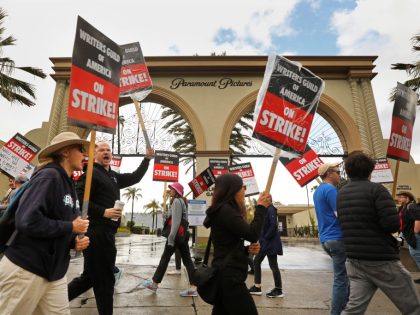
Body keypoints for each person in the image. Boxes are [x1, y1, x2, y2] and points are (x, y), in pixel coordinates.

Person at [0, 131, 90, 314]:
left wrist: (74, 241)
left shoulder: (69, 183)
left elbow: (56, 223)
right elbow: (27, 220)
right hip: (26, 269)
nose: (85, 154)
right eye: (81, 149)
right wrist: (71, 227)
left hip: (54, 274)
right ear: (65, 152)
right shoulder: (49, 177)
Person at [68, 142, 154, 315]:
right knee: (105, 280)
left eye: (108, 150)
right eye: (101, 150)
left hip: (107, 233)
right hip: (96, 232)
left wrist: (146, 159)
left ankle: (52, 301)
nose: (106, 152)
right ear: (94, 155)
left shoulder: (113, 176)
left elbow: (135, 177)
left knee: (90, 278)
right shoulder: (90, 173)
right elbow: (78, 198)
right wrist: (103, 212)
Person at [337, 151, 420, 315]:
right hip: (381, 260)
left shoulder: (342, 194)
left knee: (354, 309)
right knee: (413, 307)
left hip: (354, 259)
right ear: (370, 170)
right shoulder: (378, 190)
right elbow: (392, 225)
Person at [203, 173, 271, 315]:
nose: (244, 190)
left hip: (224, 274)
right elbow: (252, 234)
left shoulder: (223, 210)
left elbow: (226, 244)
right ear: (233, 190)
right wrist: (261, 208)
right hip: (229, 277)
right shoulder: (226, 211)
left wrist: (246, 250)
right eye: (242, 187)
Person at [143, 182, 197, 296]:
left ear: (177, 191)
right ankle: (194, 287)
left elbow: (176, 222)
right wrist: (167, 214)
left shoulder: (177, 201)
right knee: (187, 260)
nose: (170, 190)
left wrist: (171, 238)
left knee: (165, 258)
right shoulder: (181, 201)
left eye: (172, 188)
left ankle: (155, 283)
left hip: (176, 235)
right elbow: (175, 217)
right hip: (183, 235)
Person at [313, 162, 348, 315]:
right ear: (329, 174)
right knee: (341, 279)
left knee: (344, 278)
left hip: (326, 239)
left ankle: (346, 308)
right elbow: (341, 215)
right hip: (337, 237)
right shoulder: (330, 189)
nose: (339, 174)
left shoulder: (319, 190)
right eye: (337, 171)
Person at [248, 197, 284, 298]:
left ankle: (278, 290)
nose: (261, 200)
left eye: (263, 198)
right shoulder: (266, 210)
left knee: (272, 265)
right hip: (266, 243)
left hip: (270, 243)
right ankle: (257, 287)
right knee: (257, 262)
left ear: (268, 200)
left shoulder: (271, 209)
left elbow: (273, 226)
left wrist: (264, 239)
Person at [397, 191, 420, 283]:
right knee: (414, 253)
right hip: (406, 233)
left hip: (414, 235)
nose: (399, 199)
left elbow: (418, 218)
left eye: (401, 197)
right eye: (398, 197)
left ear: (407, 198)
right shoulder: (403, 207)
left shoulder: (412, 206)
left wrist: (416, 231)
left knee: (416, 254)